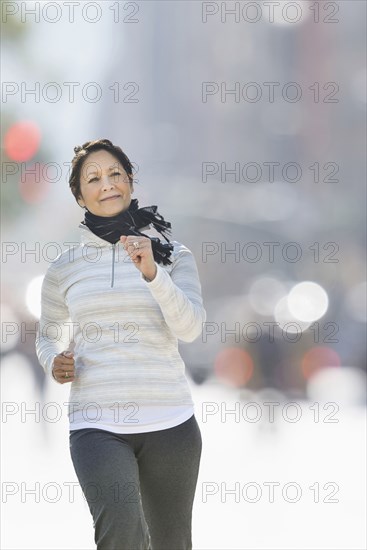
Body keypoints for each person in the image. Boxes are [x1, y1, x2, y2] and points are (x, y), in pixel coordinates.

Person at [35, 139, 206, 550]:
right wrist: (52, 361)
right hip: (96, 424)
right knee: (122, 535)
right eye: (93, 178)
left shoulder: (172, 255)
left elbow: (190, 328)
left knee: (171, 542)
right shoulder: (64, 267)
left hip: (171, 424)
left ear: (130, 181)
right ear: (79, 195)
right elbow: (47, 333)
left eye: (115, 174)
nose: (107, 184)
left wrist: (153, 274)